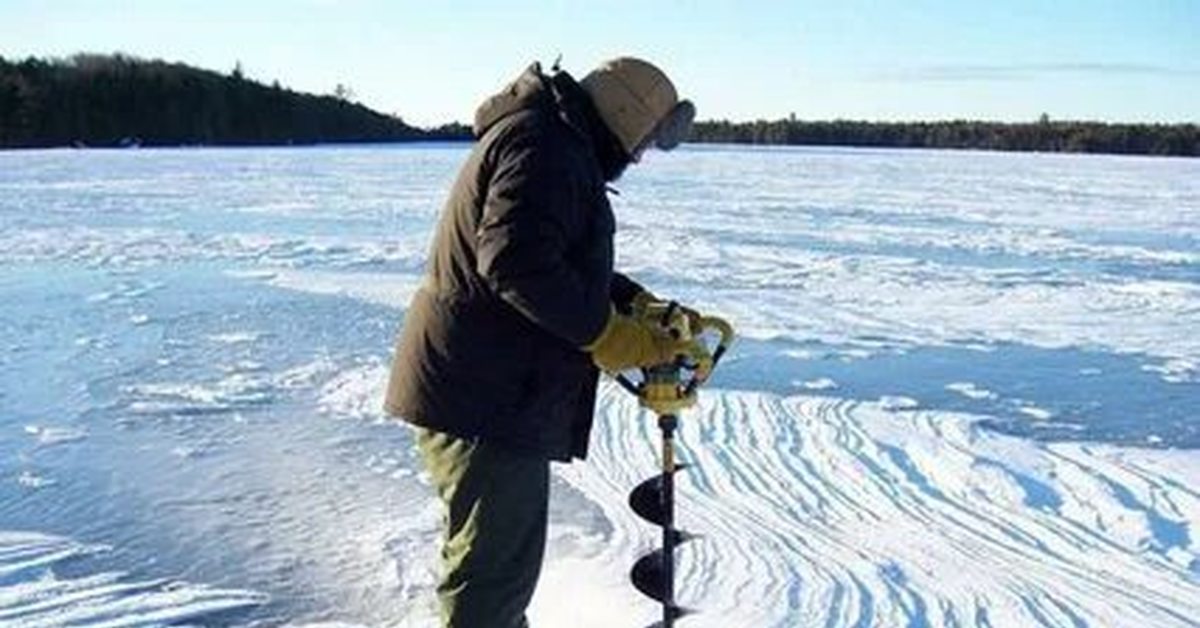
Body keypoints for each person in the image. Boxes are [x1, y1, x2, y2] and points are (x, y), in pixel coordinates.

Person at [384, 56, 698, 628]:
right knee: (491, 579)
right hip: (481, 398)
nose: (643, 152)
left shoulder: (555, 141)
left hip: (485, 391)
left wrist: (633, 305)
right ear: (628, 115)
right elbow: (515, 263)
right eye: (650, 136)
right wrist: (605, 334)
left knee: (494, 565)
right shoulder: (546, 146)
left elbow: (551, 254)